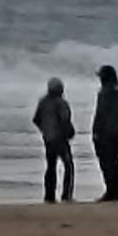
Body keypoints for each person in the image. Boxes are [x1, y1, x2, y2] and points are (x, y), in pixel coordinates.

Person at [31, 76, 76, 204]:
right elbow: (64, 120)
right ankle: (66, 195)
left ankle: (49, 195)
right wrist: (69, 132)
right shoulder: (61, 103)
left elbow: (36, 119)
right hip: (60, 139)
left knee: (51, 167)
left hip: (48, 139)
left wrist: (44, 130)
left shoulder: (43, 102)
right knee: (68, 165)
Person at [92, 65, 118, 202]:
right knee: (114, 160)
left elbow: (100, 114)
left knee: (106, 161)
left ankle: (110, 191)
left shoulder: (105, 93)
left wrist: (95, 131)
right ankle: (115, 191)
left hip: (105, 132)